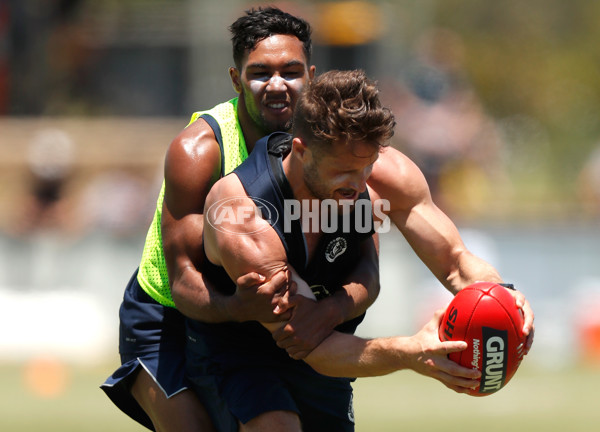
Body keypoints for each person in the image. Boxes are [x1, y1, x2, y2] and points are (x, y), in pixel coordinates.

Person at [188, 69, 534, 432]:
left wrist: (503, 297)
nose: (357, 185)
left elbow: (456, 263)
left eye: (366, 167)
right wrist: (410, 351)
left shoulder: (383, 172)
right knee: (277, 425)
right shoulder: (244, 215)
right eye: (343, 171)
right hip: (236, 346)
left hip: (328, 348)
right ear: (301, 151)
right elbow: (313, 345)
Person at [102, 7, 380, 432]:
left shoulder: (328, 146)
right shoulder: (199, 151)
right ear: (236, 80)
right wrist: (236, 307)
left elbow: (382, 239)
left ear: (311, 75)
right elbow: (182, 278)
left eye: (291, 71)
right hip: (166, 315)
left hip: (244, 319)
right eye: (259, 73)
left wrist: (329, 309)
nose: (277, 85)